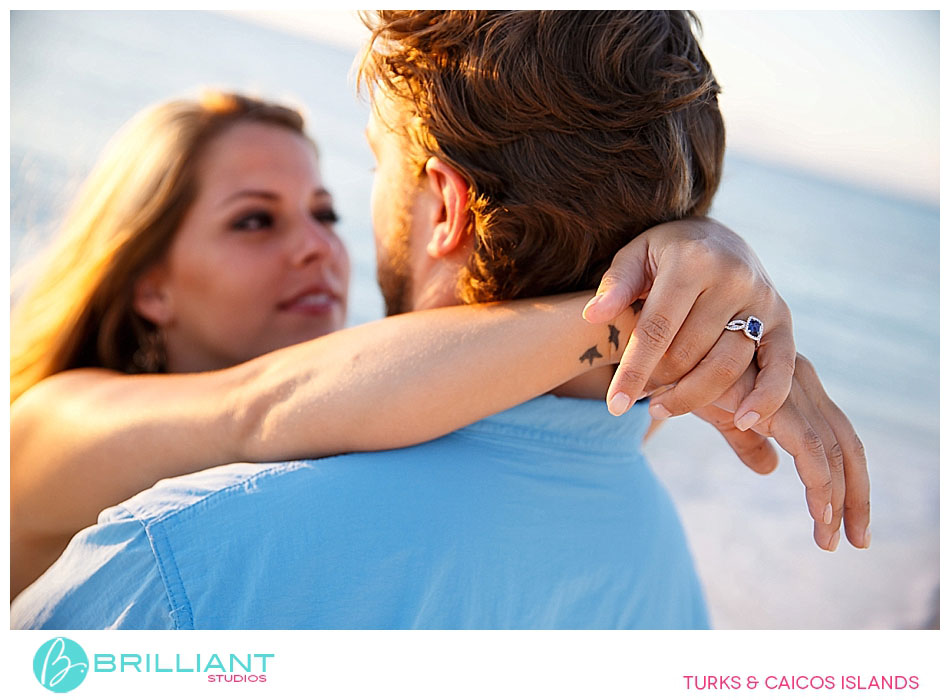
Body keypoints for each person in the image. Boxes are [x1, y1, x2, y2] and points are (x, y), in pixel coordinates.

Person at [11, 11, 867, 629]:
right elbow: (265, 406)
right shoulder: (54, 425)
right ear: (149, 283)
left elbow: (523, 425)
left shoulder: (376, 417)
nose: (317, 246)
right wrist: (651, 304)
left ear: (442, 207)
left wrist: (699, 268)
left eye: (326, 211)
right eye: (254, 220)